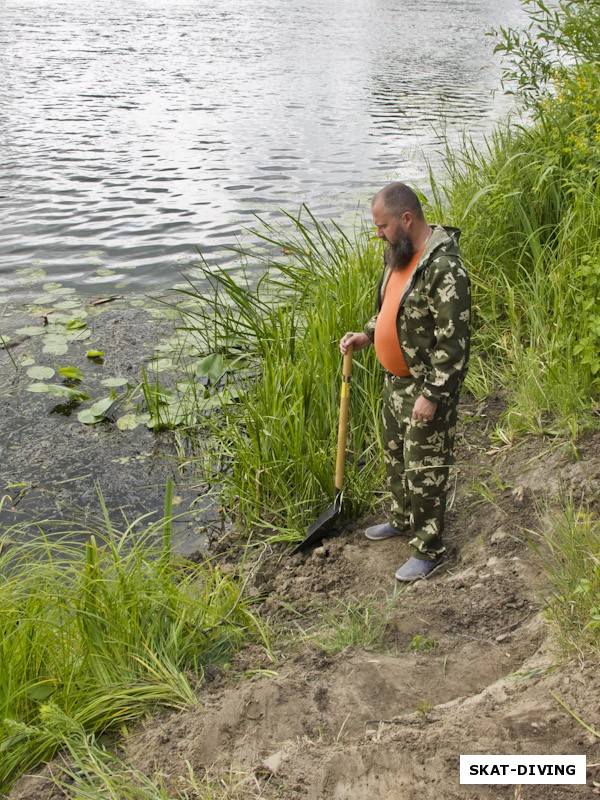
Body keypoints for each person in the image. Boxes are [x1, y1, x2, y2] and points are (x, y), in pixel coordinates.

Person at [340, 182, 470, 581]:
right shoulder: (399, 254)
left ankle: (430, 549)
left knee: (424, 467)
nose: (378, 233)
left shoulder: (444, 267)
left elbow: (455, 341)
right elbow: (395, 310)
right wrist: (368, 335)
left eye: (382, 225)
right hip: (394, 382)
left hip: (424, 386)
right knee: (395, 458)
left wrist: (432, 395)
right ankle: (401, 519)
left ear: (406, 219)